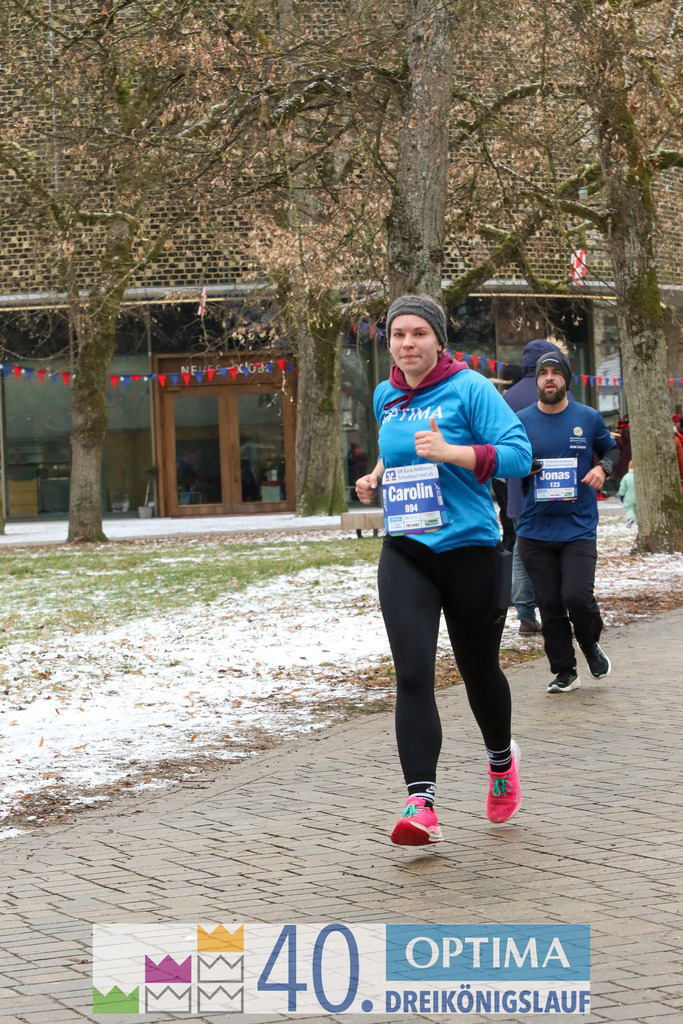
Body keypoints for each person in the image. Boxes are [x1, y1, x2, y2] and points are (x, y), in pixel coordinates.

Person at [355, 294, 532, 846]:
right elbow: (399, 447)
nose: (407, 344)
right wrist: (378, 475)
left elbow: (519, 454)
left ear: (438, 339)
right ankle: (420, 802)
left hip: (470, 548)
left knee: (478, 669)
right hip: (407, 549)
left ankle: (502, 764)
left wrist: (453, 453)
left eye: (417, 334)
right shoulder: (387, 394)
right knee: (412, 674)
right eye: (397, 335)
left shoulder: (472, 387)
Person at [515, 351, 619, 694]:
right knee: (549, 604)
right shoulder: (521, 420)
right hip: (535, 529)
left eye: (555, 373)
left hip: (577, 526)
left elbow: (612, 450)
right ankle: (564, 670)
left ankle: (589, 643)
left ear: (566, 381)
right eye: (543, 373)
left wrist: (601, 468)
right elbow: (504, 462)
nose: (548, 378)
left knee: (577, 596)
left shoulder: (587, 418)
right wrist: (521, 467)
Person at [504, 339, 572, 635]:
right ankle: (556, 611)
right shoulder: (555, 387)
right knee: (558, 549)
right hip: (561, 487)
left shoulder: (508, 396)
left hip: (520, 489)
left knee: (522, 549)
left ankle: (525, 615)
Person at [618, 460, 637, 526]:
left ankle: (630, 518)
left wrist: (621, 495)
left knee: (629, 508)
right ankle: (638, 521)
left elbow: (622, 488)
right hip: (639, 497)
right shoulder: (640, 476)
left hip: (629, 497)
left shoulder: (626, 477)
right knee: (637, 510)